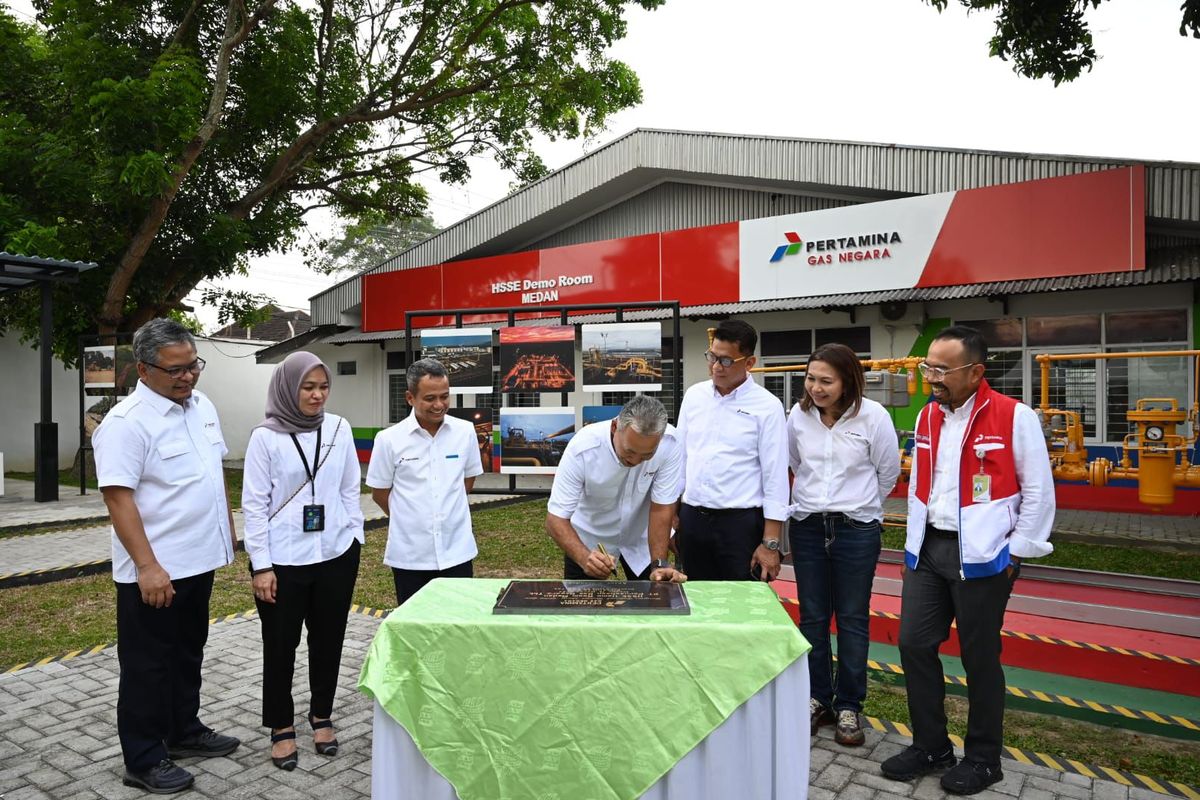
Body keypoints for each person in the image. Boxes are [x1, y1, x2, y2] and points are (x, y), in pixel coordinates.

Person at [881, 325, 1054, 795]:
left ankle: (983, 759)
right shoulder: (926, 418)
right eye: (927, 366)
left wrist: (1016, 552)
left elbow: (1038, 491)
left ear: (976, 371)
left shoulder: (1014, 417)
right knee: (914, 645)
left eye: (941, 369)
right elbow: (924, 488)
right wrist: (912, 547)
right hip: (929, 549)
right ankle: (931, 746)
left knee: (979, 658)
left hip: (984, 556)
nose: (931, 377)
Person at [92, 318, 240, 794]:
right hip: (156, 570)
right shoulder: (125, 424)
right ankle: (143, 757)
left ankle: (183, 731)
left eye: (193, 366)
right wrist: (148, 567)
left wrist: (228, 529)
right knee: (147, 664)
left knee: (187, 653)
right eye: (175, 370)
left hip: (200, 560)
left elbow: (213, 472)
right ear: (143, 369)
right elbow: (119, 499)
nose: (187, 377)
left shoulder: (202, 407)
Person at [241, 352, 364, 770]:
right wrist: (261, 565)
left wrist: (353, 536)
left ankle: (321, 716)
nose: (317, 395)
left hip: (334, 553)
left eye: (323, 387)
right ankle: (280, 725)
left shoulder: (339, 428)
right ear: (288, 388)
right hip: (283, 560)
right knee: (280, 645)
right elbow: (254, 506)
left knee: (328, 641)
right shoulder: (266, 436)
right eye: (307, 387)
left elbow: (351, 488)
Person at [786, 343, 901, 747]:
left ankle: (850, 704)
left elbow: (887, 473)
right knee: (813, 617)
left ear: (848, 381)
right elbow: (797, 465)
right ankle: (818, 697)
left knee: (852, 618)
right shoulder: (798, 418)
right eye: (811, 379)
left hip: (857, 529)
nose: (816, 388)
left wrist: (857, 505)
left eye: (826, 381)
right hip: (808, 526)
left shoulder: (874, 418)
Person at [674, 319, 789, 581]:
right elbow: (680, 458)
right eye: (712, 357)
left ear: (749, 363)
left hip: (740, 525)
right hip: (693, 518)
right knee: (696, 599)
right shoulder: (694, 396)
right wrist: (674, 514)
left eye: (725, 361)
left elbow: (775, 477)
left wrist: (770, 542)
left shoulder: (766, 406)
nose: (716, 366)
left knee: (742, 604)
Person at [367, 358, 484, 606]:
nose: (439, 405)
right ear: (410, 397)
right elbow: (379, 493)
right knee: (416, 631)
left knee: (457, 626)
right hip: (410, 556)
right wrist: (410, 517)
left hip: (457, 552)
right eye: (430, 398)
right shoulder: (389, 440)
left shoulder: (465, 432)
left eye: (444, 396)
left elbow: (467, 481)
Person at [546, 395, 687, 583]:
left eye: (647, 455)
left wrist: (659, 564)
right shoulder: (583, 447)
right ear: (615, 428)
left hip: (642, 539)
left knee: (653, 604)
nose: (635, 461)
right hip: (589, 540)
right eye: (629, 451)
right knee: (583, 607)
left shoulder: (670, 443)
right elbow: (555, 519)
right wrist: (583, 557)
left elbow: (661, 508)